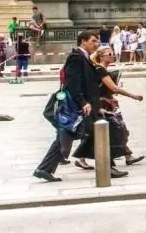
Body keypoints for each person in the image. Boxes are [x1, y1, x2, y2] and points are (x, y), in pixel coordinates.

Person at [34, 30, 101, 182]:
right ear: (83, 41)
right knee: (72, 134)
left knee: (67, 135)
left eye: (97, 41)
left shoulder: (84, 57)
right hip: (77, 106)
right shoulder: (76, 58)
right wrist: (83, 102)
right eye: (93, 41)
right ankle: (44, 168)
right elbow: (73, 82)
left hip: (84, 104)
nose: (96, 44)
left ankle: (44, 168)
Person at [72, 46, 144, 176]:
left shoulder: (101, 69)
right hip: (103, 105)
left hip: (106, 103)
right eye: (109, 53)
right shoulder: (100, 70)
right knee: (114, 131)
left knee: (111, 131)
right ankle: (112, 163)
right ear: (101, 56)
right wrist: (134, 96)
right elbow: (114, 88)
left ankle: (126, 156)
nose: (112, 55)